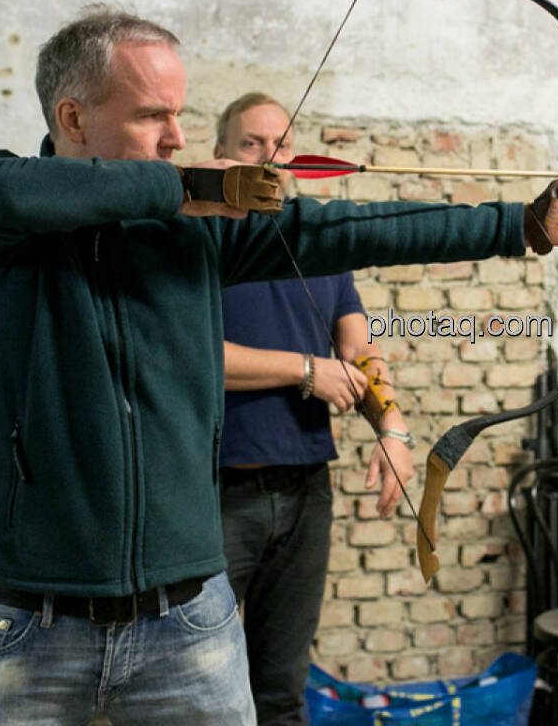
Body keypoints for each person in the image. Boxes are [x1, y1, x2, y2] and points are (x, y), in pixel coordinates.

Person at [0, 6, 558, 725]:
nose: (176, 138)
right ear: (72, 117)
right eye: (151, 116)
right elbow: (15, 191)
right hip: (30, 622)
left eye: (180, 115)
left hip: (186, 618)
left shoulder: (193, 235)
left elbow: (351, 228)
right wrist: (188, 187)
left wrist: (522, 225)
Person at [214, 91, 412, 726]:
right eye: (251, 144)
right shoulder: (202, 237)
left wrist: (393, 428)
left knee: (280, 692)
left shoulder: (321, 245)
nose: (269, 157)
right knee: (198, 695)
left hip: (304, 493)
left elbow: (361, 353)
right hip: (215, 493)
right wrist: (305, 370)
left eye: (280, 145)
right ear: (220, 155)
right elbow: (190, 356)